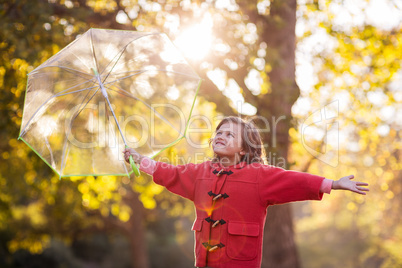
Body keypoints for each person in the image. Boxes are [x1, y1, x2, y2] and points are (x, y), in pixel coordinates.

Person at [123, 116, 369, 268]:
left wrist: (333, 183)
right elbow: (170, 173)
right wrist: (140, 160)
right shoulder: (199, 172)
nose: (220, 136)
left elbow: (294, 181)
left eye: (230, 134)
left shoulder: (260, 175)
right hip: (204, 263)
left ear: (243, 149)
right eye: (219, 132)